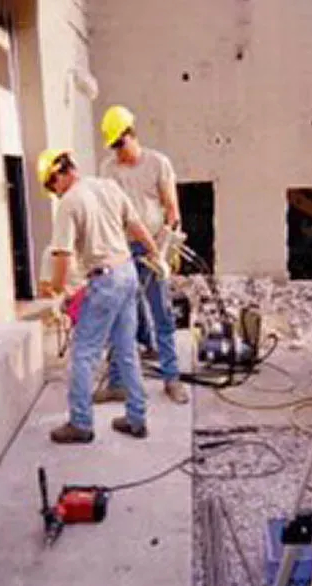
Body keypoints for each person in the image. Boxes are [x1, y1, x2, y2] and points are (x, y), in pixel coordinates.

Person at [36, 148, 165, 443]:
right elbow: (137, 227)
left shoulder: (69, 202)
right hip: (127, 273)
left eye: (50, 185)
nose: (53, 193)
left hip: (104, 281)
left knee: (83, 355)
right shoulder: (108, 186)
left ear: (58, 174)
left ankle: (81, 424)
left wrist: (59, 289)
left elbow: (63, 255)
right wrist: (156, 254)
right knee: (126, 350)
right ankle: (136, 418)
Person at [97, 105, 189, 405]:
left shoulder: (158, 164)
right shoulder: (108, 169)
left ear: (131, 135)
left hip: (152, 249)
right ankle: (117, 383)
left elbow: (172, 210)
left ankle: (171, 378)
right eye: (113, 146)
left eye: (119, 144)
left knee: (161, 312)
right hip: (122, 250)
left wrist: (162, 249)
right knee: (119, 315)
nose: (117, 152)